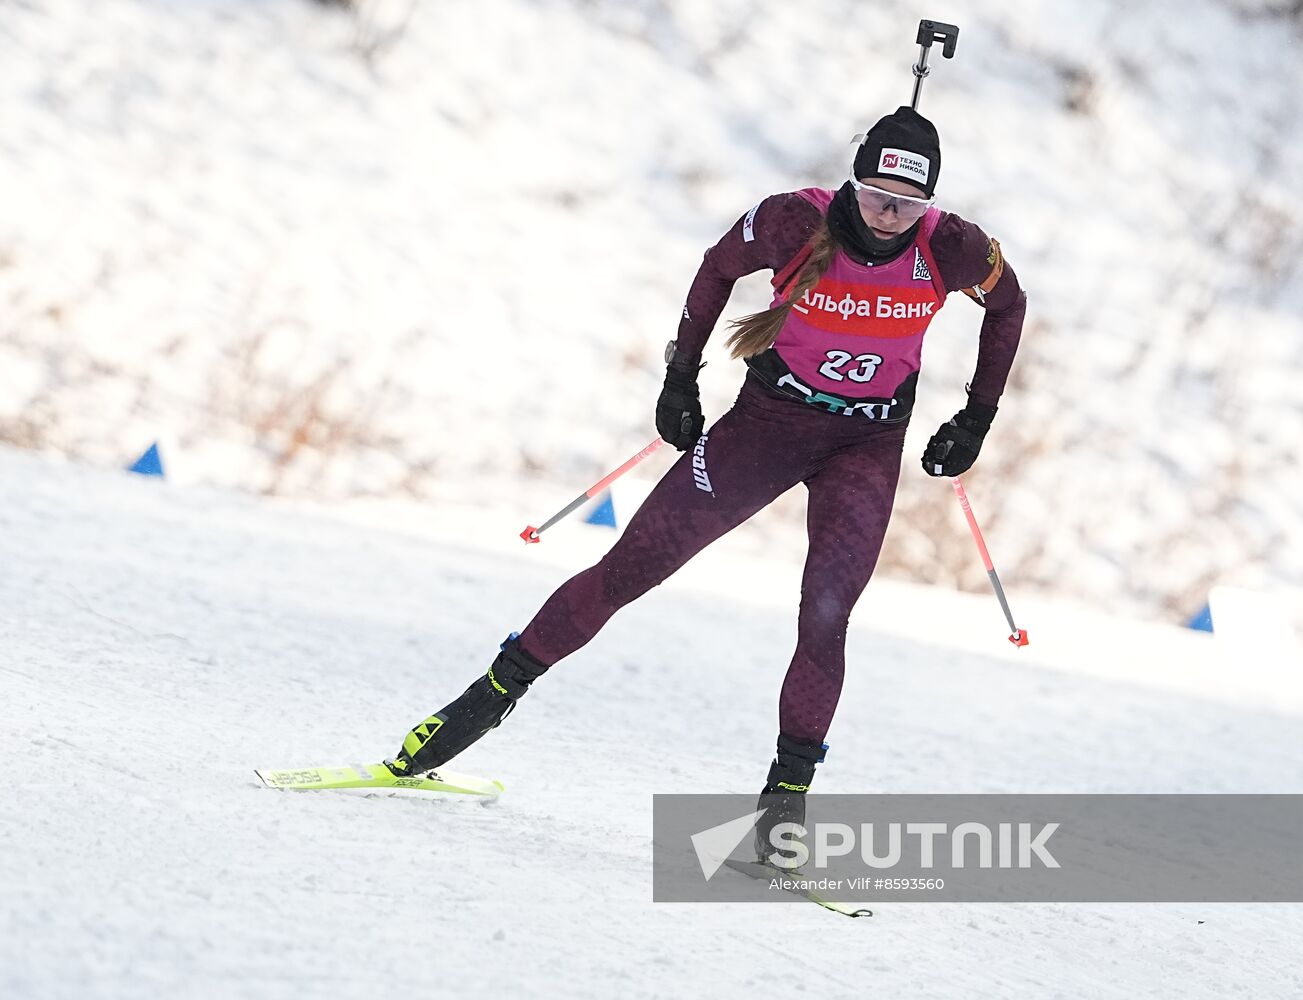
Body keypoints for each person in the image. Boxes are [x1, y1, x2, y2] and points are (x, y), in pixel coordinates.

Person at [385, 106, 1026, 861]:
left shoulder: (951, 246)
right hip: (765, 428)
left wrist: (975, 417)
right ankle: (473, 708)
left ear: (930, 204)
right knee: (628, 570)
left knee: (825, 618)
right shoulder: (792, 222)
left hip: (865, 445)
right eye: (877, 193)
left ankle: (780, 817)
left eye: (907, 203)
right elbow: (716, 267)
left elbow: (1008, 306)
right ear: (852, 183)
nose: (889, 215)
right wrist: (679, 377)